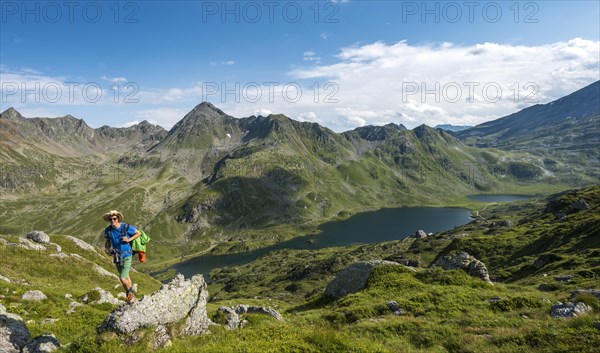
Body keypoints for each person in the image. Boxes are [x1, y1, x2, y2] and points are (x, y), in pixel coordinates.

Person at [103, 210, 140, 303]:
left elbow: (138, 233)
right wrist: (107, 249)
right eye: (110, 219)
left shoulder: (125, 227)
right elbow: (107, 242)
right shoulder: (108, 230)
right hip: (116, 256)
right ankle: (130, 296)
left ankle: (130, 294)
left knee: (122, 278)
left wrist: (128, 240)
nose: (112, 220)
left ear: (118, 219)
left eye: (114, 218)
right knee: (125, 276)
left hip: (127, 254)